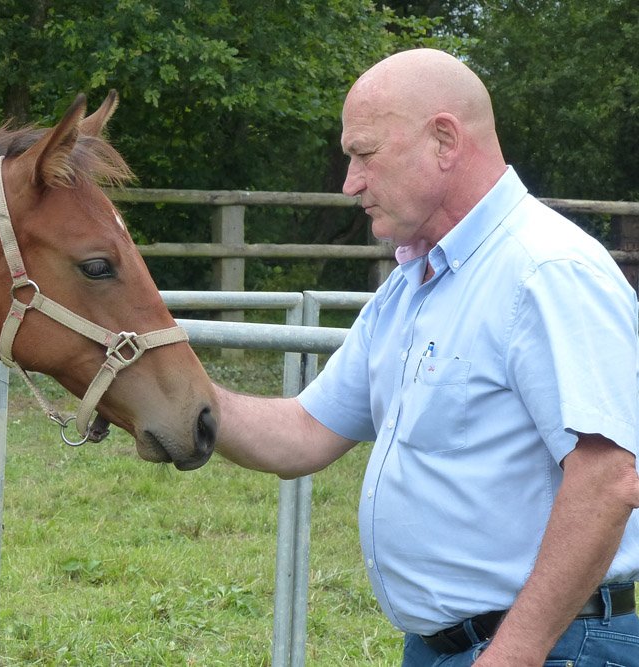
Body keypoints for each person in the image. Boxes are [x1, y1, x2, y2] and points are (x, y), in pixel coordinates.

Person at [214, 48, 639, 666]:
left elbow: (607, 477)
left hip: (549, 649)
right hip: (459, 647)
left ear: (444, 140)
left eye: (364, 154)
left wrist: (512, 655)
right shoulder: (412, 287)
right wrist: (162, 387)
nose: (350, 183)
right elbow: (302, 434)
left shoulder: (547, 271)